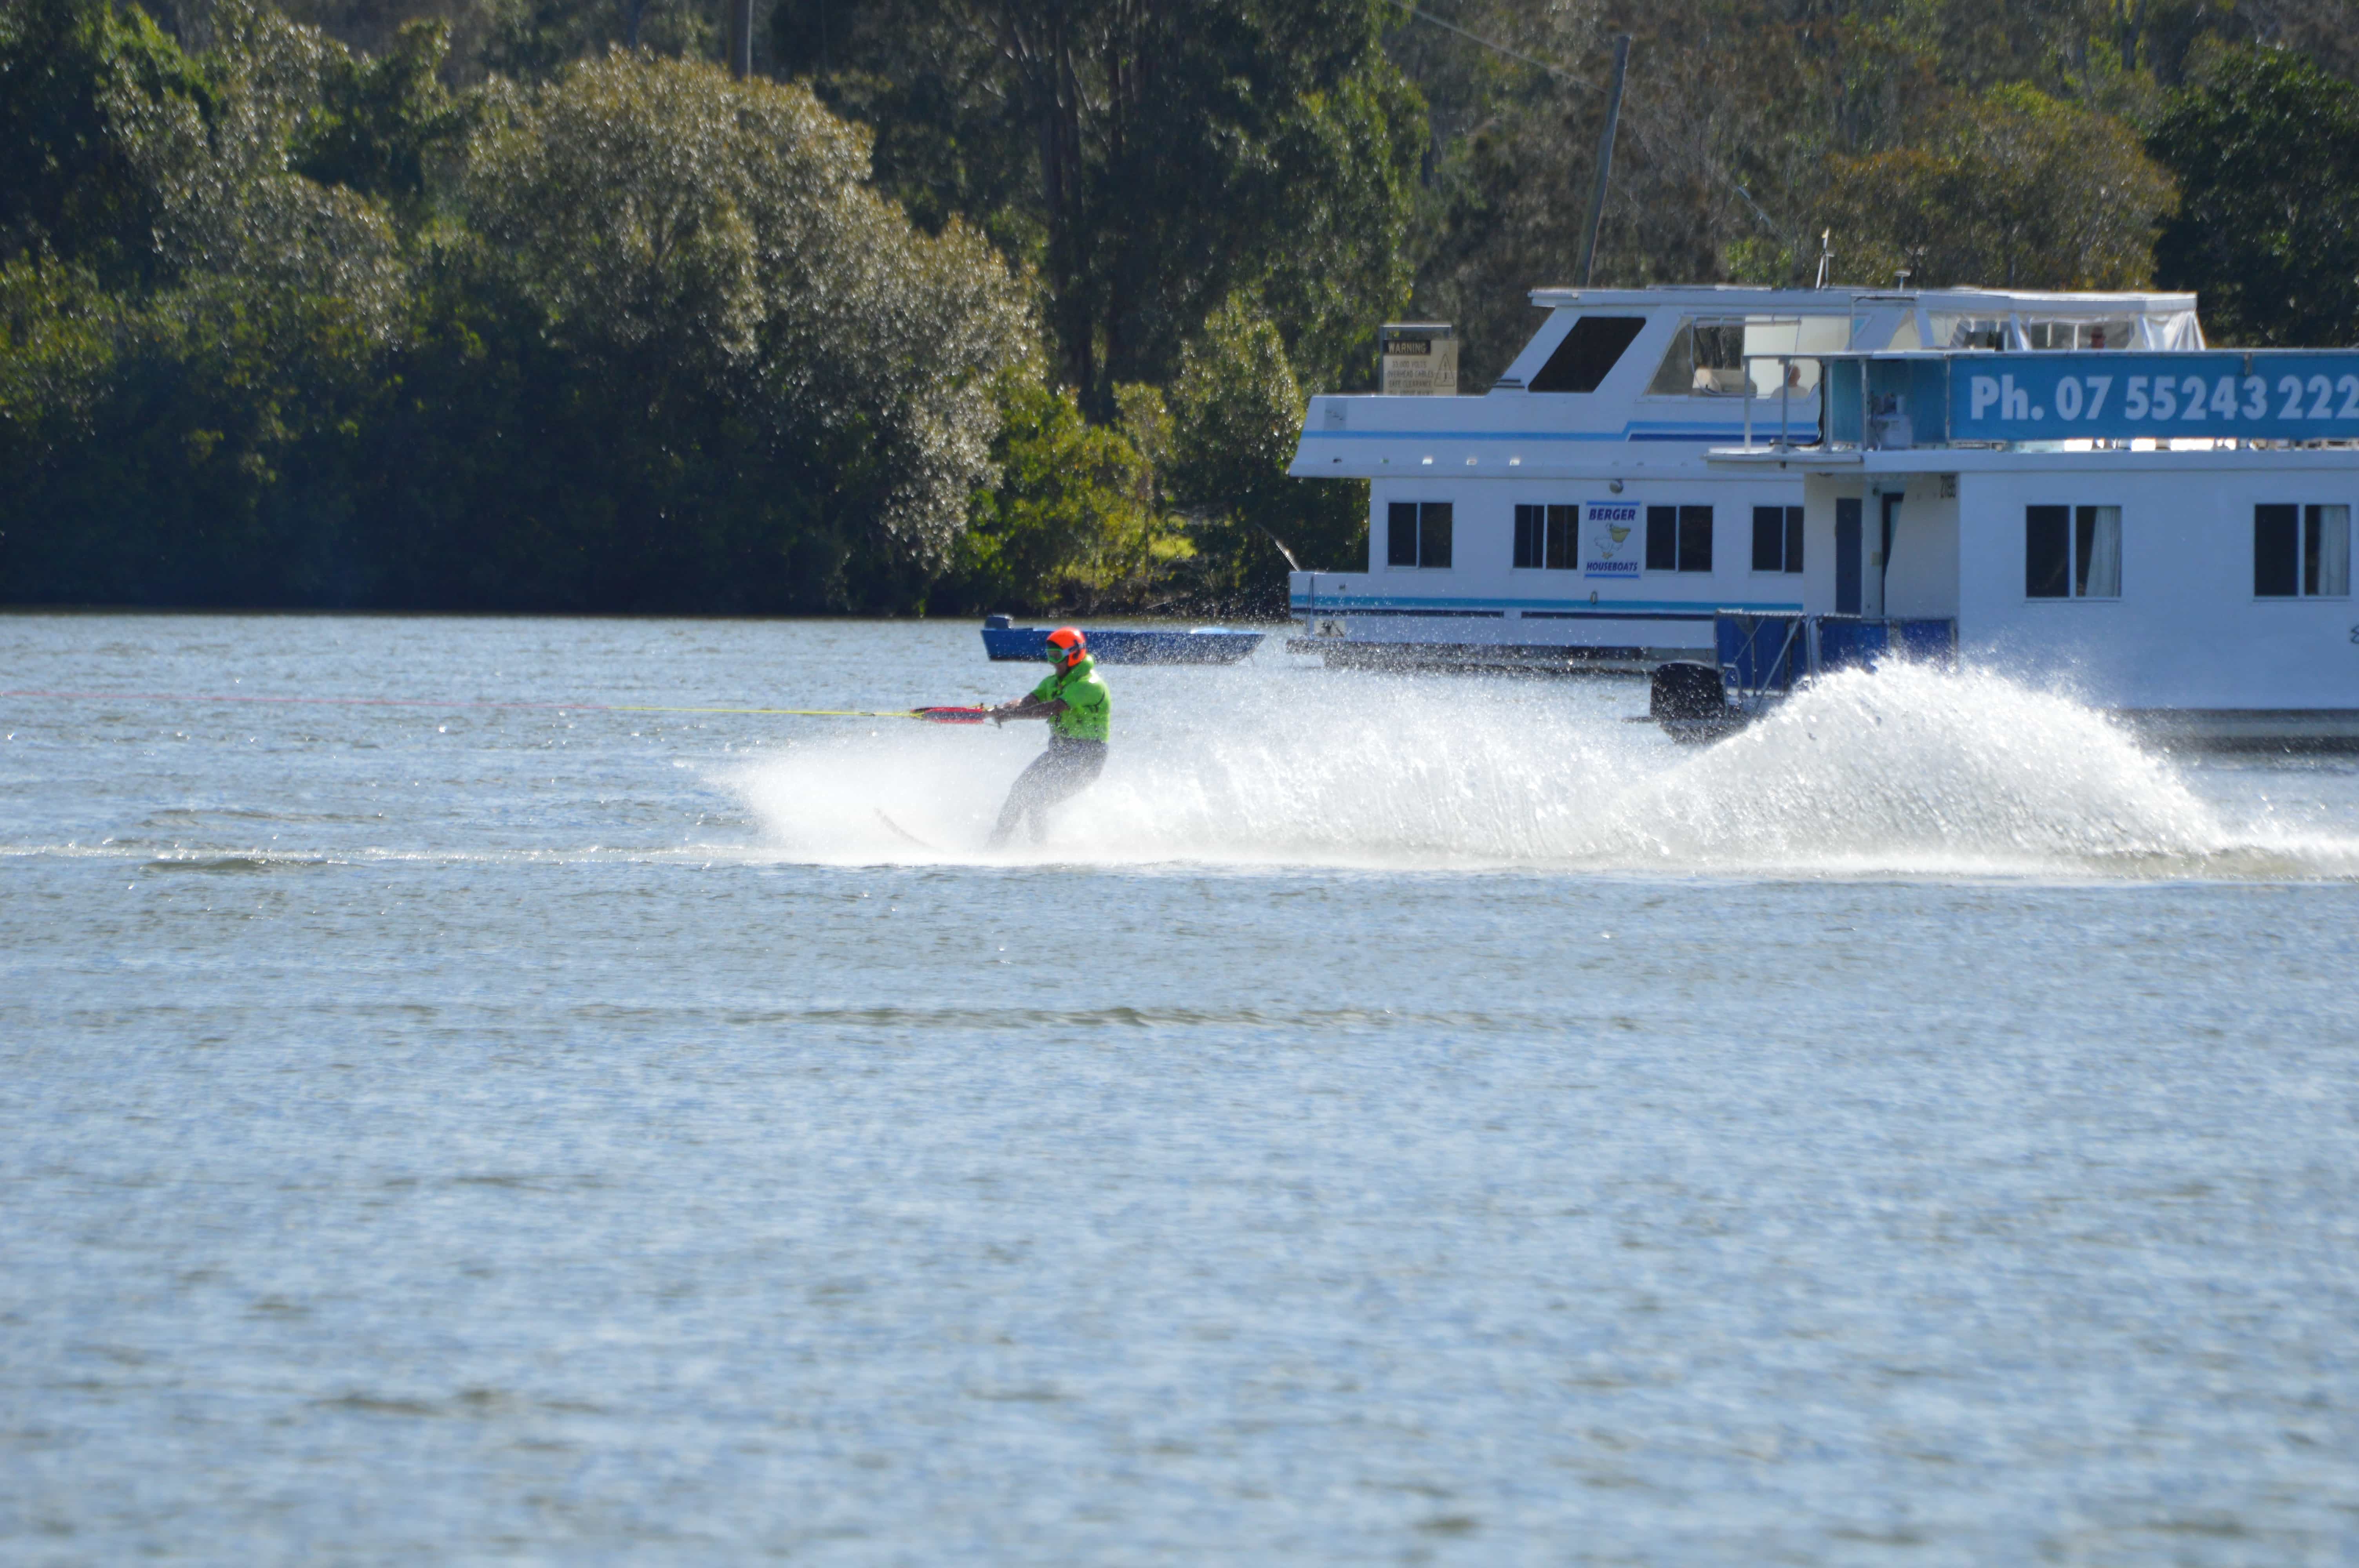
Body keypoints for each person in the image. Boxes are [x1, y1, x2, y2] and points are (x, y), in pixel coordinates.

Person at [981, 626, 1110, 847]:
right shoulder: (1052, 683)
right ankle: (994, 848)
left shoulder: (1089, 686)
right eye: (1049, 655)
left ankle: (1040, 854)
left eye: (1057, 656)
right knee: (1019, 791)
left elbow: (1050, 709)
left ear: (1075, 654)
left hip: (1087, 758)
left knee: (1036, 800)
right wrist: (1000, 709)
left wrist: (1011, 716)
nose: (1052, 662)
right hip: (1059, 752)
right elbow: (1026, 702)